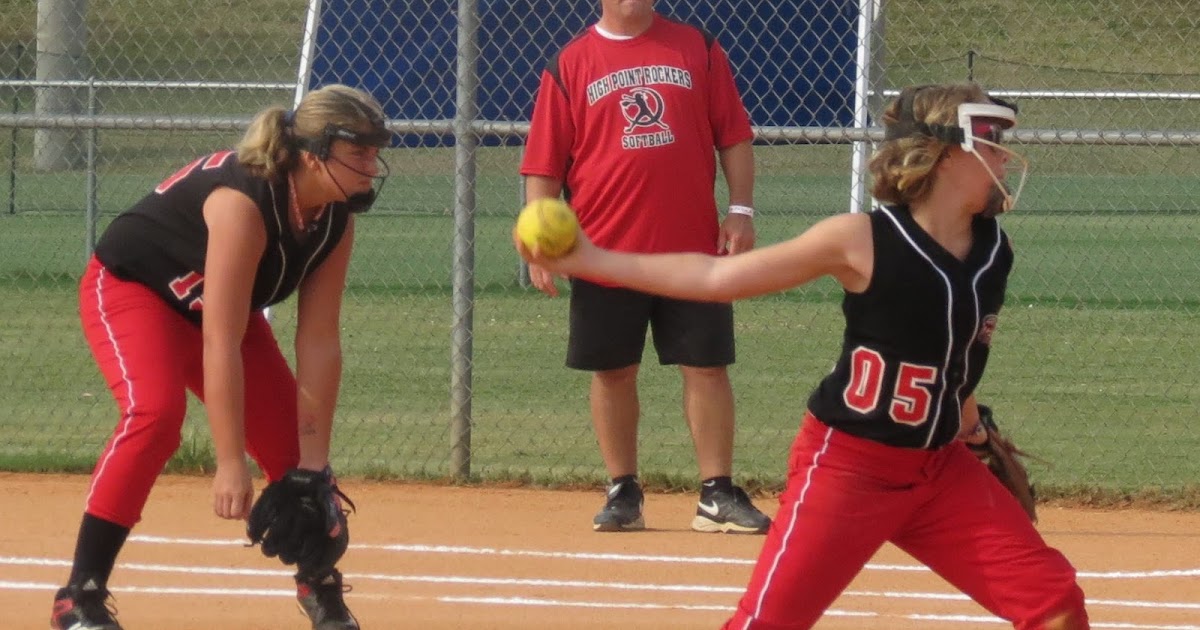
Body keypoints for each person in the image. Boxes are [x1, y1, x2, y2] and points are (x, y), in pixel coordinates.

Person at [516, 82, 1090, 629]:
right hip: (850, 469)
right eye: (986, 140)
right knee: (767, 621)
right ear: (940, 156)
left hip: (939, 472)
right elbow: (718, 277)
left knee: (1053, 602)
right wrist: (588, 261)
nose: (1003, 155)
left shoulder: (994, 250)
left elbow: (956, 361)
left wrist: (974, 432)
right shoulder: (861, 238)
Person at [50, 84, 390, 630]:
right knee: (155, 416)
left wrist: (312, 465)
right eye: (359, 151)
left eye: (376, 151)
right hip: (136, 293)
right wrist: (230, 462)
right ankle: (79, 596)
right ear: (312, 154)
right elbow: (220, 342)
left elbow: (320, 341)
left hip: (218, 312)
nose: (372, 165)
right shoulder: (244, 204)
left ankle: (321, 590)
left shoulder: (334, 219)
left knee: (297, 459)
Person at [519, 0, 770, 534]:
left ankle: (717, 493)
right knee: (613, 371)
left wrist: (741, 209)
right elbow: (543, 163)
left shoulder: (697, 46)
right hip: (605, 250)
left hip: (691, 251)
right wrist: (538, 238)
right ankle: (622, 489)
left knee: (705, 365)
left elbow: (734, 134)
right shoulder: (571, 62)